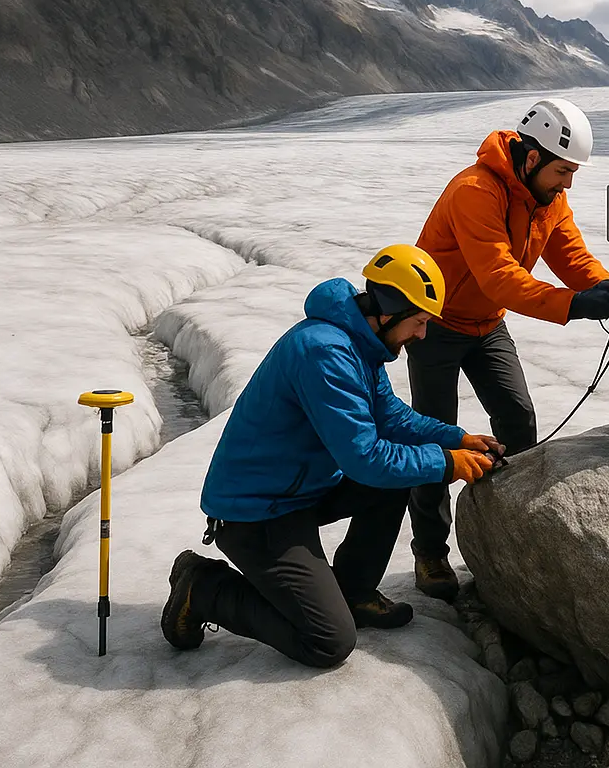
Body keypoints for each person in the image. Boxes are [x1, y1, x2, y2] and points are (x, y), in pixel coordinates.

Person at [160, 244, 504, 667]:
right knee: (328, 641)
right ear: (389, 312)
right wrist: (447, 463)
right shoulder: (325, 352)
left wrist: (457, 438)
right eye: (418, 322)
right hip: (257, 511)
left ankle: (354, 593)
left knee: (398, 478)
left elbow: (390, 417)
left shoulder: (360, 343)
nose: (422, 335)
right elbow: (365, 458)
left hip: (299, 490)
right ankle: (204, 588)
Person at [407, 97, 609, 601]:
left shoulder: (547, 197)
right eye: (563, 171)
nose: (568, 183)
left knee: (518, 418)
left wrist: (603, 285)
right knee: (435, 437)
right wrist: (575, 304)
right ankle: (430, 551)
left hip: (487, 324)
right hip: (434, 325)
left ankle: (512, 527)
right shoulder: (474, 191)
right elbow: (500, 276)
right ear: (532, 158)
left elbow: (570, 253)